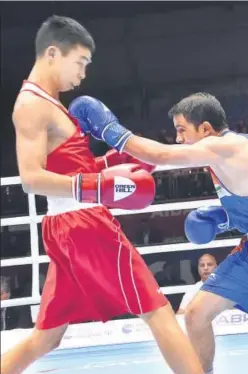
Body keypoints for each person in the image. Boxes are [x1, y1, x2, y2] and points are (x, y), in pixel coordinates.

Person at [69, 92, 248, 374]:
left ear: (206, 129)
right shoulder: (225, 152)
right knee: (197, 316)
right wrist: (224, 218)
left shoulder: (230, 147)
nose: (179, 139)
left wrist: (109, 130)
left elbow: (164, 155)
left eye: (183, 130)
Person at [0, 16, 204, 374]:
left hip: (69, 226)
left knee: (47, 337)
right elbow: (31, 178)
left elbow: (71, 167)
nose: (82, 75)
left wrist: (115, 161)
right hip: (82, 223)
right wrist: (97, 185)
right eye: (79, 63)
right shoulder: (32, 104)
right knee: (157, 309)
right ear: (52, 53)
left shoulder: (51, 103)